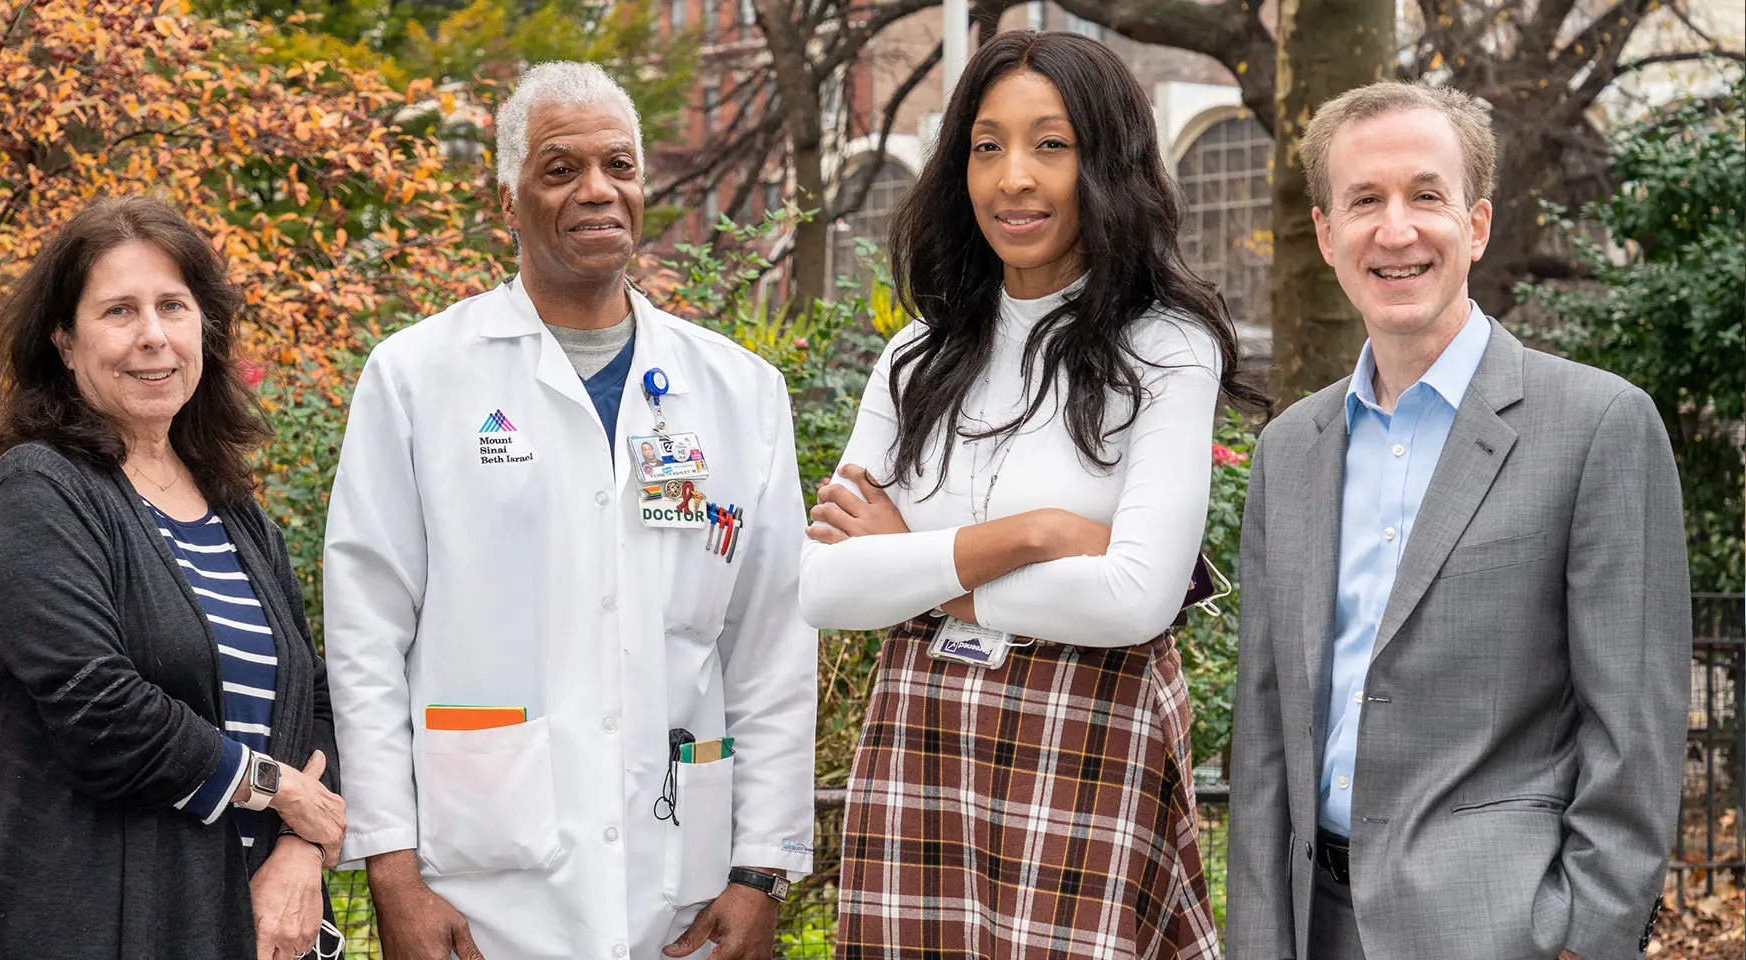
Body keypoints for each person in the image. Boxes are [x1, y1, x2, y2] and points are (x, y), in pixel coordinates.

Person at [324, 61, 816, 960]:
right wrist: (392, 871)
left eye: (619, 166)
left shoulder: (740, 392)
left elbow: (773, 644)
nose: (598, 190)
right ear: (507, 199)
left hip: (686, 884)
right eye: (561, 169)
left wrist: (761, 871)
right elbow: (366, 639)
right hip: (483, 891)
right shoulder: (417, 378)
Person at [799, 31, 1257, 958]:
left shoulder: (1165, 350)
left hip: (1088, 738)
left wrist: (912, 566)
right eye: (987, 145)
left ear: (1108, 162)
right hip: (923, 739)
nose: (1015, 177)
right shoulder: (915, 359)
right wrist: (1038, 536)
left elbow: (1136, 599)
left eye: (1051, 144)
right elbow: (823, 589)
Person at [1225, 81, 1690, 960]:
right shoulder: (1289, 451)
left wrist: (1584, 938)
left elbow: (1634, 738)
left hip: (1503, 929)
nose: (1395, 230)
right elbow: (1264, 738)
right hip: (1311, 924)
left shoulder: (1597, 426)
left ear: (1475, 225)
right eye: (1364, 200)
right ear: (1327, 235)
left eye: (1425, 196)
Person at [0, 196, 347, 960]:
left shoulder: (238, 515)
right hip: (78, 920)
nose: (153, 336)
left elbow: (312, 696)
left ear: (205, 330)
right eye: (119, 311)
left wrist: (299, 850)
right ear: (63, 340)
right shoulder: (39, 489)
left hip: (234, 920)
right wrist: (278, 787)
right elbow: (100, 710)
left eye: (173, 307)